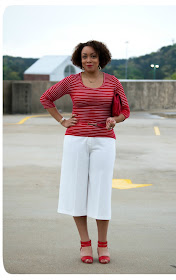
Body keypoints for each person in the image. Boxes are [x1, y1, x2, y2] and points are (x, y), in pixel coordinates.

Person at [40, 40, 130, 264]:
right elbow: (46, 98)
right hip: (75, 140)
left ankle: (103, 244)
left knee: (101, 193)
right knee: (76, 190)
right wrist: (62, 120)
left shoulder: (113, 82)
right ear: (79, 60)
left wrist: (114, 119)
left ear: (101, 58)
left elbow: (125, 111)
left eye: (92, 56)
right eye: (84, 57)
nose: (88, 60)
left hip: (104, 141)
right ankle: (85, 244)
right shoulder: (71, 81)